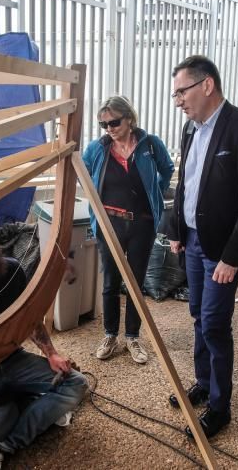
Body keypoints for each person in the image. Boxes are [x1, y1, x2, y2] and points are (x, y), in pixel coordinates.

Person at [165, 55, 238, 439]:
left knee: (213, 323)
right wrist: (176, 229)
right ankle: (203, 382)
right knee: (197, 314)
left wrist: (232, 255)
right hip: (192, 240)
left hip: (222, 249)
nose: (177, 99)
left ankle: (220, 405)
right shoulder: (190, 129)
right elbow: (185, 184)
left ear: (207, 85)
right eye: (175, 93)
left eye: (182, 91)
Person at [0, 209, 88, 470]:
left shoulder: (11, 270)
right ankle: (17, 405)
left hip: (12, 359)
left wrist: (51, 354)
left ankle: (6, 445)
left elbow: (30, 319)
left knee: (76, 383)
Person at [83, 95, 175, 364]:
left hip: (141, 223)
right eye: (104, 124)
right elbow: (84, 172)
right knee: (111, 281)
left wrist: (154, 194)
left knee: (135, 281)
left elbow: (167, 169)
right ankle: (110, 335)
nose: (109, 128)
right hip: (109, 223)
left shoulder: (150, 144)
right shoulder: (97, 148)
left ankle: (132, 336)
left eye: (114, 122)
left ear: (130, 119)